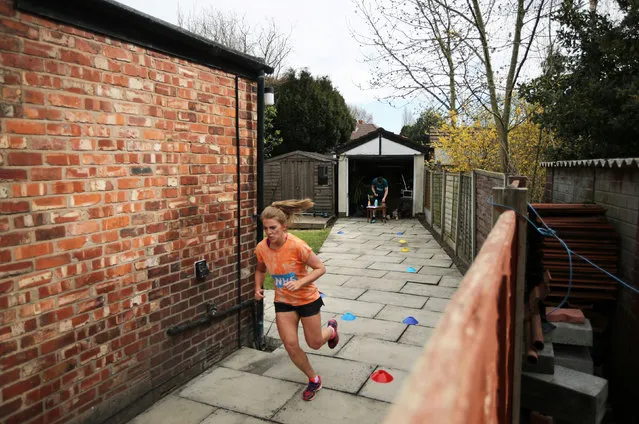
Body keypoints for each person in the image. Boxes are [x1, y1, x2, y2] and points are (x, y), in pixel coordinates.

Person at [254, 198, 339, 401]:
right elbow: (260, 269)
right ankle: (314, 379)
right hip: (283, 301)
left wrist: (301, 283)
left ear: (284, 227)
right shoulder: (262, 248)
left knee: (315, 343)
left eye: (273, 228)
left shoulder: (297, 246)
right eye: (265, 228)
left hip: (307, 299)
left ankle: (332, 330)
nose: (269, 232)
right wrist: (257, 287)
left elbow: (320, 268)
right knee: (291, 344)